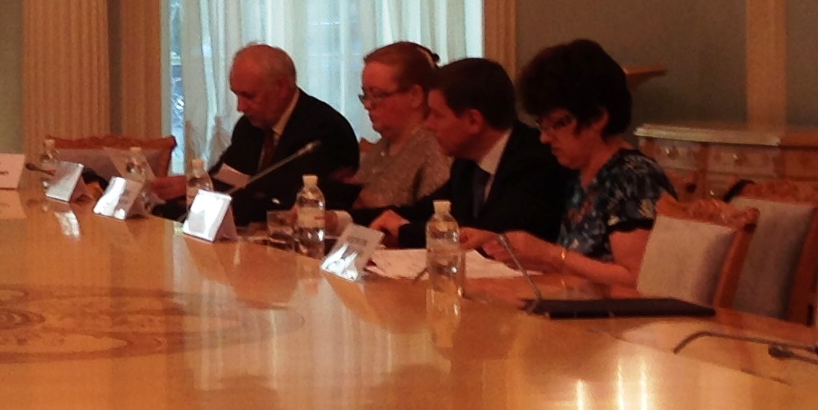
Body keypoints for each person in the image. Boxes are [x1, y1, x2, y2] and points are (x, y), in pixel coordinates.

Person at [504, 39, 672, 287]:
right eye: (542, 124)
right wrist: (505, 245)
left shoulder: (634, 177)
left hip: (622, 311)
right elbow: (580, 267)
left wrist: (549, 254)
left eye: (558, 123)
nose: (544, 137)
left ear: (597, 118)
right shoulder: (583, 175)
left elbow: (636, 279)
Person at [178, 44, 360, 228]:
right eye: (237, 95)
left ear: (281, 87)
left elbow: (287, 199)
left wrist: (239, 196)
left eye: (249, 96)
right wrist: (191, 186)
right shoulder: (249, 126)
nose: (240, 107)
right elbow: (226, 179)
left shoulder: (325, 129)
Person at [428, 56, 574, 245]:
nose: (428, 125)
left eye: (437, 115)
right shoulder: (466, 160)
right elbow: (432, 211)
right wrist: (392, 222)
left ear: (474, 121)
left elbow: (487, 231)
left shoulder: (536, 161)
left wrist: (402, 228)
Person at [350, 42, 453, 238]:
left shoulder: (435, 148)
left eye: (377, 95)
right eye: (365, 95)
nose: (368, 105)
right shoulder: (384, 145)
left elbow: (431, 217)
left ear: (415, 96)